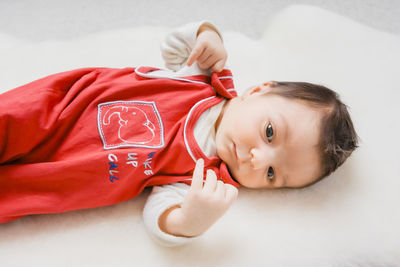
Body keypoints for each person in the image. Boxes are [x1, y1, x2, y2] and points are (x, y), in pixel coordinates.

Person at [0, 21, 358, 246]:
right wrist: (208, 36)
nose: (257, 158)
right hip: (66, 107)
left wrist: (191, 219)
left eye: (271, 174)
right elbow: (175, 45)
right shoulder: (204, 79)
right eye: (269, 132)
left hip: (63, 177)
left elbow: (160, 212)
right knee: (12, 120)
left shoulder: (205, 178)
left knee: (16, 194)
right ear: (259, 90)